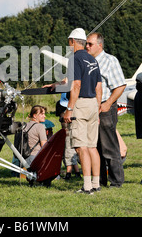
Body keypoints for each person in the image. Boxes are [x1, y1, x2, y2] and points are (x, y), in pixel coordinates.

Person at [45, 28, 102, 194]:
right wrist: (97, 106)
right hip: (92, 104)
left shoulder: (74, 58)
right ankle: (96, 184)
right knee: (92, 147)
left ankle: (86, 186)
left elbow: (75, 85)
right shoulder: (92, 59)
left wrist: (69, 109)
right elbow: (98, 86)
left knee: (81, 147)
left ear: (72, 41)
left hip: (81, 105)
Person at [86, 32, 126, 188]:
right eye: (86, 44)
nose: (87, 46)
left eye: (90, 44)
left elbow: (120, 85)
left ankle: (116, 181)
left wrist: (108, 103)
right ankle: (100, 180)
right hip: (90, 108)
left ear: (99, 45)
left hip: (104, 108)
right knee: (95, 147)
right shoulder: (87, 61)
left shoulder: (110, 61)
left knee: (109, 147)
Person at [56, 93, 81, 180]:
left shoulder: (63, 107)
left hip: (69, 132)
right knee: (71, 152)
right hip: (70, 131)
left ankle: (69, 173)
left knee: (68, 152)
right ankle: (77, 172)